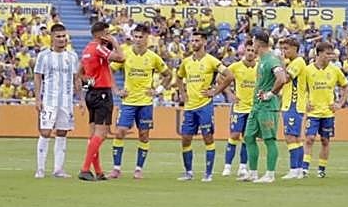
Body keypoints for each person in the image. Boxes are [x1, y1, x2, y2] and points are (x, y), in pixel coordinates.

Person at [110, 24, 168, 180]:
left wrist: (158, 90)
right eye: (135, 36)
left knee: (144, 135)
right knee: (120, 132)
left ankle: (138, 169)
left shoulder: (153, 57)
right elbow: (109, 70)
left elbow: (168, 75)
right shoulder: (125, 54)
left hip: (145, 102)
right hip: (128, 101)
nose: (137, 39)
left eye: (141, 37)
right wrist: (116, 90)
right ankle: (116, 168)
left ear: (147, 37)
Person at [173, 33, 224, 182]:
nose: (194, 43)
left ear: (204, 42)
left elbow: (229, 75)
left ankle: (208, 173)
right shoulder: (186, 62)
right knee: (185, 139)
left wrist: (215, 91)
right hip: (190, 107)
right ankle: (188, 172)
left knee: (207, 138)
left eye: (197, 40)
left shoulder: (211, 60)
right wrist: (182, 93)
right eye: (192, 41)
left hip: (204, 105)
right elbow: (179, 77)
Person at [33, 23, 81, 178]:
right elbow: (38, 77)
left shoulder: (72, 56)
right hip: (49, 101)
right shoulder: (44, 56)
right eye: (58, 36)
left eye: (63, 36)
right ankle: (40, 169)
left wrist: (81, 98)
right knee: (45, 131)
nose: (62, 39)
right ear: (52, 38)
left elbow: (76, 78)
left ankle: (58, 169)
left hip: (66, 102)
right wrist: (37, 99)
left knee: (62, 132)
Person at [79, 22, 124, 181]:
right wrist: (115, 43)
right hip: (102, 93)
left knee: (93, 135)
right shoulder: (99, 48)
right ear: (99, 35)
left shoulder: (87, 49)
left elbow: (80, 73)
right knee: (101, 134)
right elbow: (121, 58)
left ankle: (98, 171)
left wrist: (90, 85)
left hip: (92, 92)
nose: (109, 36)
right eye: (106, 33)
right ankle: (85, 169)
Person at [243, 30, 288, 183]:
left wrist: (270, 94)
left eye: (253, 41)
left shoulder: (270, 59)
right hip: (257, 106)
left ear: (258, 42)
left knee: (269, 139)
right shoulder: (262, 60)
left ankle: (270, 174)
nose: (252, 44)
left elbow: (282, 78)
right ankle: (253, 173)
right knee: (248, 137)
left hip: (268, 107)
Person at [302, 41, 348, 178]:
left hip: (328, 113)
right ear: (319, 54)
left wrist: (340, 103)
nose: (330, 56)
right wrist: (305, 102)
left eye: (331, 54)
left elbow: (347, 87)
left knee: (325, 140)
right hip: (313, 112)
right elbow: (301, 89)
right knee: (309, 139)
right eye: (327, 54)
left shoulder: (335, 70)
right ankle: (305, 168)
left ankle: (321, 169)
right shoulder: (307, 70)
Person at [212, 43, 258, 178]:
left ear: (256, 53)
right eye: (248, 50)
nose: (250, 53)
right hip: (239, 108)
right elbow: (219, 78)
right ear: (244, 52)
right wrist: (229, 93)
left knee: (248, 137)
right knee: (234, 135)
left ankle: (243, 167)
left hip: (253, 108)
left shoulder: (259, 67)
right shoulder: (236, 66)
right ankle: (227, 166)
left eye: (253, 50)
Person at [278, 36, 309, 179]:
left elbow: (285, 79)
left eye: (286, 48)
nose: (284, 51)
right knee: (295, 138)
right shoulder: (292, 62)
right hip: (290, 104)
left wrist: (280, 64)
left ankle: (294, 169)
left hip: (293, 104)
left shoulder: (298, 62)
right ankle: (299, 170)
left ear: (295, 49)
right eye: (282, 48)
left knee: (290, 137)